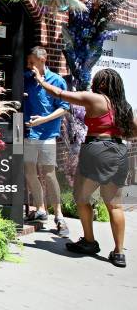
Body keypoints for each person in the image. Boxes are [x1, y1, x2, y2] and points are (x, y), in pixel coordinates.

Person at [32, 67, 137, 267]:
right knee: (114, 204)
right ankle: (119, 252)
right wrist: (116, 136)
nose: (93, 84)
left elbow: (60, 93)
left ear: (103, 84)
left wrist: (40, 79)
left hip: (96, 150)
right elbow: (135, 131)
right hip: (118, 151)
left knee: (81, 197)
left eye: (97, 81)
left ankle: (89, 242)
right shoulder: (124, 106)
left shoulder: (96, 99)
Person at [23, 47, 71, 237]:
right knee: (29, 172)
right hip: (27, 133)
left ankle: (59, 215)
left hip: (47, 135)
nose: (28, 65)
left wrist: (43, 120)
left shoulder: (57, 81)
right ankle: (41, 209)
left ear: (43, 59)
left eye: (31, 62)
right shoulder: (27, 79)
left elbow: (64, 108)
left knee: (49, 174)